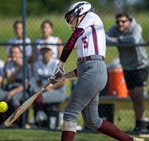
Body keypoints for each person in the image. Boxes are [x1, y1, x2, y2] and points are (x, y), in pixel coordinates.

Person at [48, 2, 144, 141]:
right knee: (92, 121)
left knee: (70, 112)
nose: (70, 21)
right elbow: (84, 66)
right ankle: (131, 140)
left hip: (95, 70)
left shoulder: (91, 17)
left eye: (71, 16)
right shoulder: (85, 32)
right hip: (91, 71)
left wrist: (61, 63)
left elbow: (74, 44)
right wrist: (63, 76)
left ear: (80, 10)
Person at [106, 12, 149, 133]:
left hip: (140, 66)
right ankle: (140, 123)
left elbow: (134, 39)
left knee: (139, 95)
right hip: (126, 66)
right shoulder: (115, 29)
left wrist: (118, 39)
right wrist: (121, 40)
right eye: (118, 21)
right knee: (133, 96)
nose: (120, 24)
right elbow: (105, 39)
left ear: (129, 21)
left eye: (123, 21)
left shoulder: (136, 27)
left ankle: (141, 124)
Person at [31, 46, 66, 129]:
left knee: (39, 98)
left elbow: (64, 80)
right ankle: (38, 121)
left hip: (57, 91)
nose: (45, 54)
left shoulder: (56, 63)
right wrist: (42, 87)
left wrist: (52, 88)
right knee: (32, 94)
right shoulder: (37, 64)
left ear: (52, 53)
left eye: (47, 52)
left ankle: (41, 116)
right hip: (44, 90)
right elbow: (37, 80)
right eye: (43, 52)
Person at [4, 45, 30, 128]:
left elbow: (25, 85)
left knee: (14, 97)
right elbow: (9, 81)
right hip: (11, 87)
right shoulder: (9, 64)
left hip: (22, 90)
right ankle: (0, 121)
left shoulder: (26, 66)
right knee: (1, 96)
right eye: (11, 52)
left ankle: (16, 122)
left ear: (21, 54)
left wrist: (11, 93)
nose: (13, 54)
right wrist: (19, 67)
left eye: (16, 52)